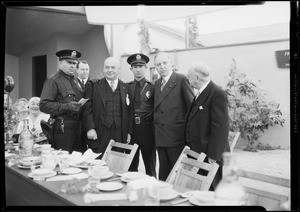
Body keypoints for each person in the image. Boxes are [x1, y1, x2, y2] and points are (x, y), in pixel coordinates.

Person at [185, 62, 230, 191]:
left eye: (189, 76)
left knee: (213, 189)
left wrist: (214, 155)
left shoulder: (217, 93)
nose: (188, 79)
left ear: (197, 78)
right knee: (201, 188)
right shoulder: (201, 92)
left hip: (210, 154)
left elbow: (221, 127)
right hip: (199, 151)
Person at [153, 52, 194, 181]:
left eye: (165, 63)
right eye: (158, 65)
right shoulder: (157, 83)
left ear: (171, 63)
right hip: (161, 138)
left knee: (177, 175)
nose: (162, 67)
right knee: (164, 175)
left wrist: (188, 136)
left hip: (176, 137)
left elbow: (192, 108)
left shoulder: (181, 79)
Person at [82, 57, 131, 156]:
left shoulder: (126, 87)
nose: (109, 70)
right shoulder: (93, 85)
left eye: (113, 67)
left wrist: (128, 132)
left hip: (119, 133)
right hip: (100, 133)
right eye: (107, 67)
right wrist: (90, 128)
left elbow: (129, 112)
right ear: (103, 69)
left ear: (119, 69)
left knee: (116, 164)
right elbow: (87, 109)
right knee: (99, 165)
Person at [40, 49, 83, 153]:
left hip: (78, 127)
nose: (72, 66)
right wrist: (67, 106)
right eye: (69, 62)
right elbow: (43, 105)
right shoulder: (53, 80)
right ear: (60, 62)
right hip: (63, 128)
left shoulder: (75, 80)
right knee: (63, 161)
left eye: (74, 63)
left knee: (77, 161)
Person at [127, 53, 157, 177]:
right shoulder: (126, 87)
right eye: (135, 67)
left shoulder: (153, 88)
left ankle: (152, 191)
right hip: (132, 129)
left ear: (145, 68)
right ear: (131, 69)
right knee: (132, 166)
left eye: (141, 66)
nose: (138, 69)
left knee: (150, 166)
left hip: (147, 130)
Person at [75, 60, 91, 152]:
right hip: (76, 122)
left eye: (86, 69)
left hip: (89, 121)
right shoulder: (72, 82)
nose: (85, 71)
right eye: (82, 69)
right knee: (79, 149)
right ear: (77, 70)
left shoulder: (94, 83)